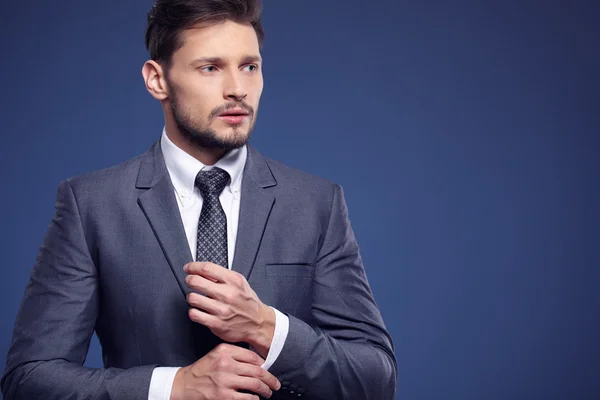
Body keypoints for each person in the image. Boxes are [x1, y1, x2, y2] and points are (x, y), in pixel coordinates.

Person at [1, 0, 397, 399]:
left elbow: (376, 378)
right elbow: (28, 379)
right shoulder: (91, 205)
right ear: (158, 80)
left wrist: (264, 326)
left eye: (250, 66)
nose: (238, 89)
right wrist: (174, 387)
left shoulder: (317, 204)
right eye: (210, 67)